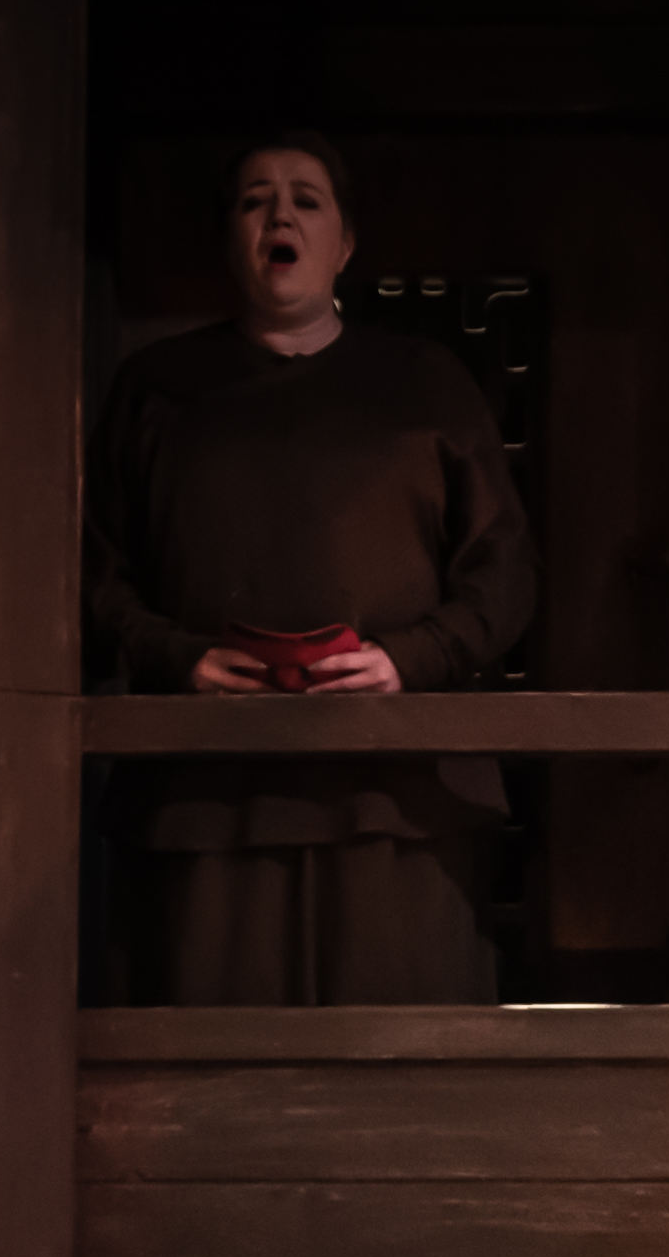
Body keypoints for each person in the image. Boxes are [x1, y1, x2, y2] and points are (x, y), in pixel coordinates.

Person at [86, 133, 538, 1003]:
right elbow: (95, 574)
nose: (280, 214)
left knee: (396, 1071)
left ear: (346, 242)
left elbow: (506, 569)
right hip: (208, 796)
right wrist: (177, 657)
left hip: (397, 793)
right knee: (203, 1074)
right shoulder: (157, 388)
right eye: (255, 198)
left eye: (306, 197)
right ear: (230, 238)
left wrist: (412, 656)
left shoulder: (426, 382)